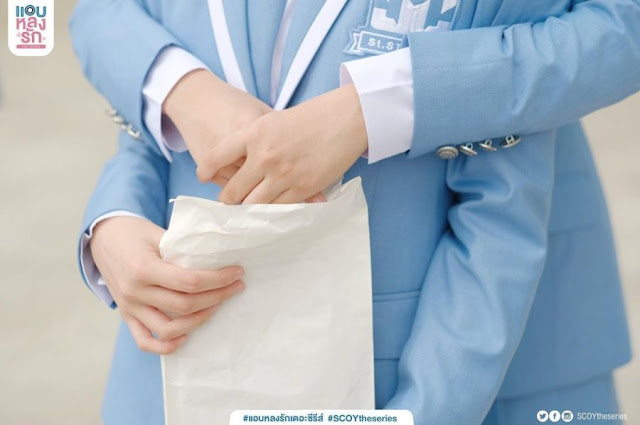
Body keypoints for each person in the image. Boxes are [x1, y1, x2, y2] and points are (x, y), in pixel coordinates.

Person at [70, 0, 640, 424]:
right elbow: (129, 55)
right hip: (180, 363)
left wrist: (384, 105)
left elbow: (614, 30)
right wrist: (115, 216)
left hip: (442, 354)